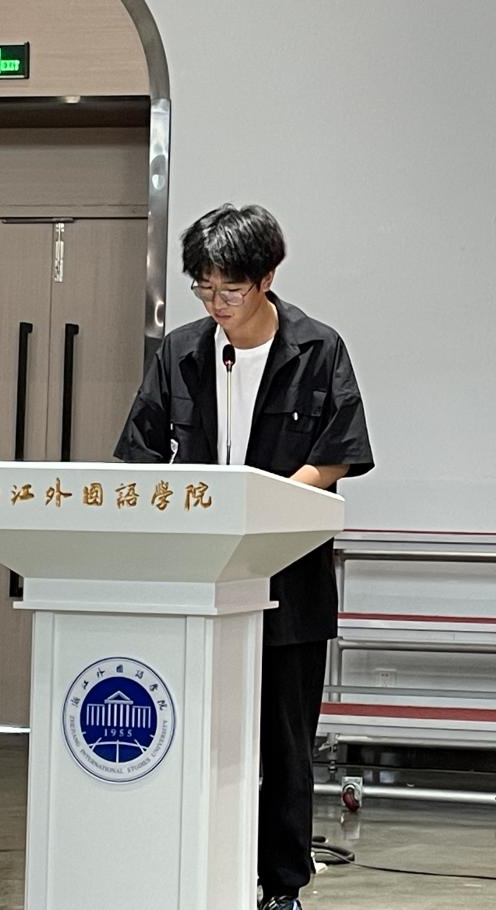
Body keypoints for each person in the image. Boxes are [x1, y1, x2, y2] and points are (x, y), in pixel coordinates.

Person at [114, 204, 374, 910]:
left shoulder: (316, 349)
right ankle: (191, 869)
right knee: (191, 733)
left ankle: (280, 887)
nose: (216, 304)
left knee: (284, 746)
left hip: (288, 577)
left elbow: (337, 455)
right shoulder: (182, 350)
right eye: (203, 288)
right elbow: (140, 451)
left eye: (229, 289)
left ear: (266, 279)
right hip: (197, 581)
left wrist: (260, 511)